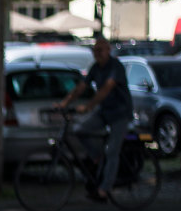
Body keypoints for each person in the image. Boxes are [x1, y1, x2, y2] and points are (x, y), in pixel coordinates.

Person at [55, 37, 133, 202]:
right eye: (95, 51)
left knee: (112, 151)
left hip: (120, 113)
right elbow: (81, 87)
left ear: (108, 50)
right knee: (79, 130)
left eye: (100, 50)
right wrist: (65, 103)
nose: (97, 54)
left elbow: (106, 88)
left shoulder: (115, 67)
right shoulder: (95, 68)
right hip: (104, 111)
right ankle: (97, 157)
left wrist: (88, 106)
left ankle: (104, 189)